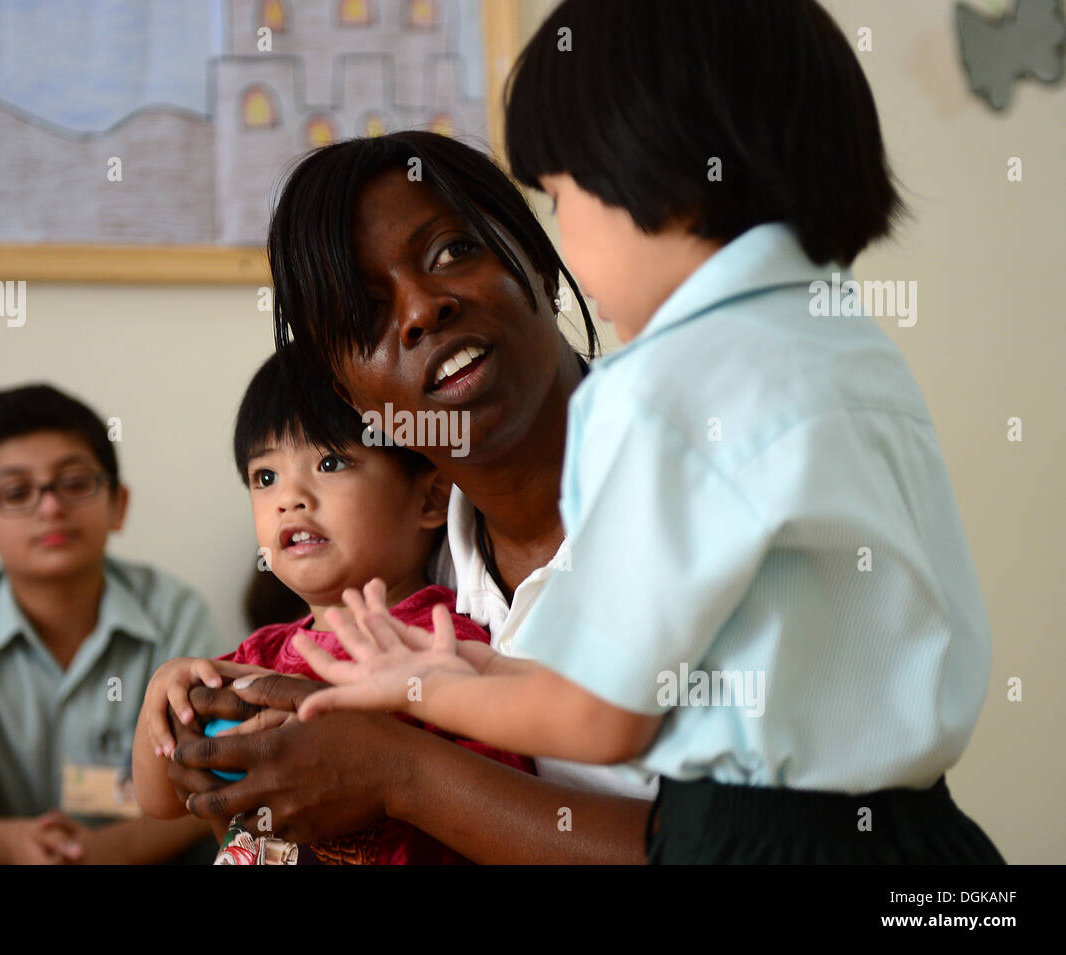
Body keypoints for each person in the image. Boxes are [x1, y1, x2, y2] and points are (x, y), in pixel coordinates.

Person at [289, 0, 1005, 864]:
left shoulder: (657, 390)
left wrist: (418, 692)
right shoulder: (849, 343)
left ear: (652, 176)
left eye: (561, 196)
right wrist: (472, 672)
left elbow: (607, 717)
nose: (565, 236)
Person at [165, 129, 660, 865]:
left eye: (452, 252)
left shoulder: (702, 475)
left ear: (541, 262)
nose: (422, 309)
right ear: (349, 393)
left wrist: (401, 773)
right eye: (366, 310)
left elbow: (787, 848)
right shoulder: (400, 572)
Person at [131, 350, 534, 864]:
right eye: (265, 477)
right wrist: (162, 702)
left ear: (430, 500)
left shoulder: (441, 647)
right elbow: (159, 801)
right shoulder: (256, 658)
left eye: (329, 462)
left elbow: (498, 810)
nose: (289, 498)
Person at [0, 383, 228, 864]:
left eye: (74, 482)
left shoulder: (175, 612)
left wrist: (96, 854)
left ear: (118, 504)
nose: (50, 507)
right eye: (16, 492)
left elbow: (207, 793)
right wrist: (22, 846)